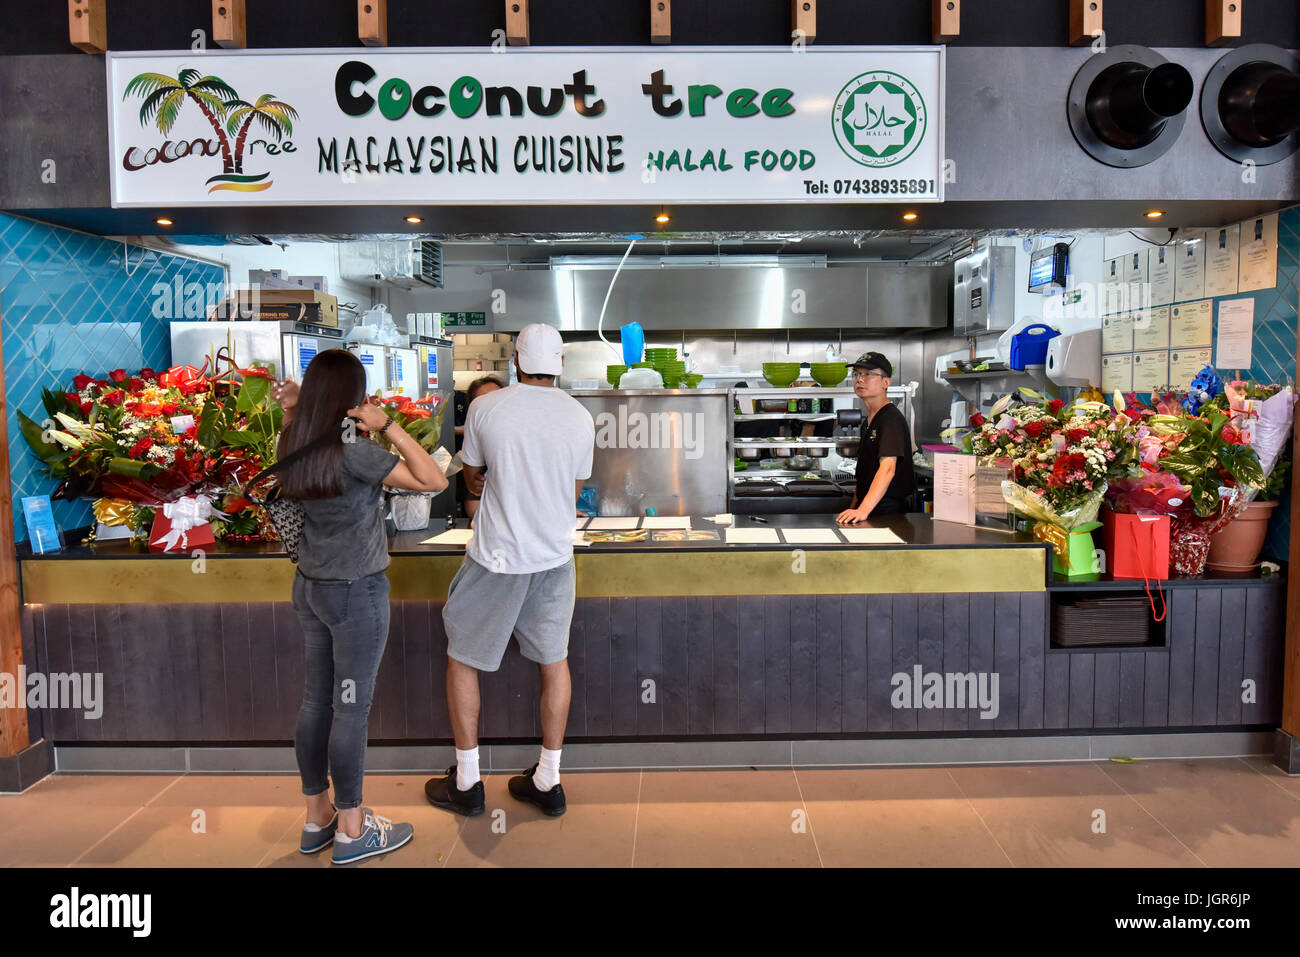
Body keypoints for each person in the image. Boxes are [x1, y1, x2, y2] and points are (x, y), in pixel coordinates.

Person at [271, 350, 448, 864]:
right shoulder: (355, 451)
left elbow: (303, 431)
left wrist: (292, 409)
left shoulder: (296, 439)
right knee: (350, 710)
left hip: (309, 587)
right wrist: (388, 424)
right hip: (355, 592)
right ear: (353, 397)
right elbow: (432, 481)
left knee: (315, 703)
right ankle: (352, 829)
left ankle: (316, 817)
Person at [425, 324, 595, 818]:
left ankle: (468, 780)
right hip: (555, 557)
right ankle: (548, 779)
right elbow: (575, 481)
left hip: (497, 557)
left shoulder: (485, 407)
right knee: (554, 660)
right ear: (559, 362)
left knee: (463, 657)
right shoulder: (580, 416)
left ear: (516, 360)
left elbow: (473, 472)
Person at [836, 351, 916, 525]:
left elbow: (888, 468)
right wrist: (856, 506)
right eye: (856, 374)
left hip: (888, 513)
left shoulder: (890, 419)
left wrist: (862, 511)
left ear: (886, 382)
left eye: (868, 374)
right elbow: (865, 474)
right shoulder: (869, 421)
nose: (860, 379)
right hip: (870, 508)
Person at [458, 375, 504, 519]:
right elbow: (474, 510)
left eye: (499, 398)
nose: (494, 406)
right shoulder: (474, 457)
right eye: (486, 401)